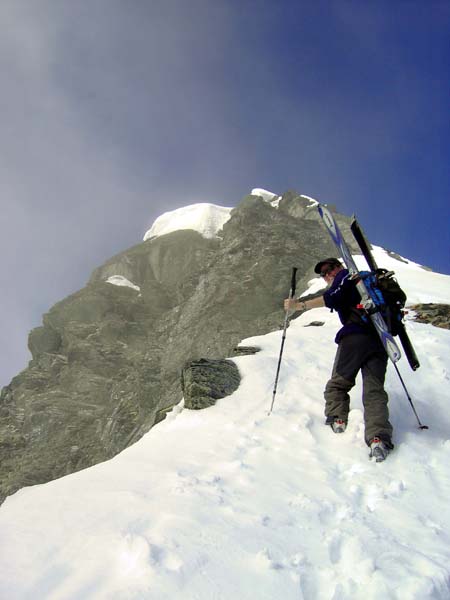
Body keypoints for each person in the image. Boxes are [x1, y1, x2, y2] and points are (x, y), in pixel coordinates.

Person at [284, 258, 393, 462]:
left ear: (338, 267)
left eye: (329, 270)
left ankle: (338, 418)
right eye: (323, 274)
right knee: (374, 391)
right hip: (380, 341)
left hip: (355, 338)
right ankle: (379, 438)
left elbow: (331, 298)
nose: (327, 275)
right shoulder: (366, 283)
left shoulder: (346, 276)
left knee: (338, 385)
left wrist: (300, 305)